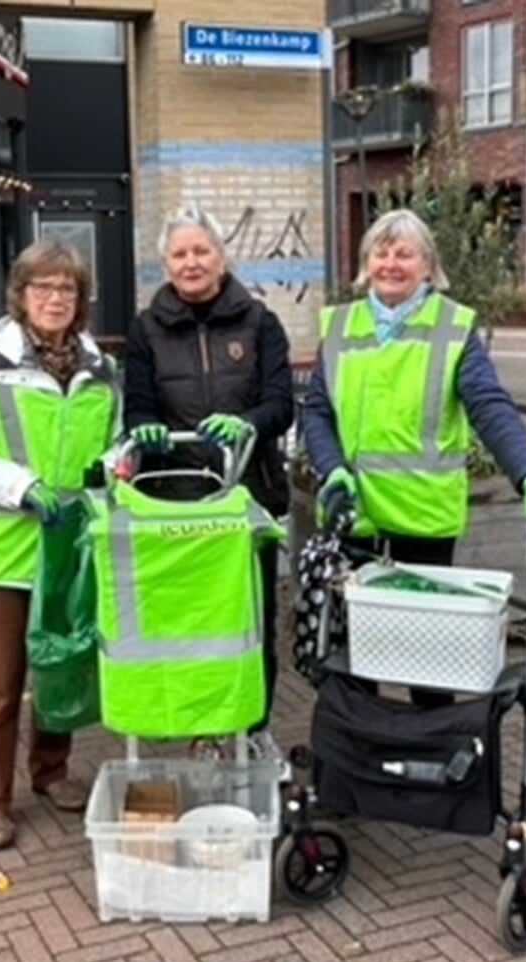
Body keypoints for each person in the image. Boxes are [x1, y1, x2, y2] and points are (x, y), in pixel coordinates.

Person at [300, 208, 526, 702]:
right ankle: (364, 763)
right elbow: (317, 411)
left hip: (421, 519)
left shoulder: (453, 329)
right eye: (380, 252)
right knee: (353, 665)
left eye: (404, 253)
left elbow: (490, 408)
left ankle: (431, 764)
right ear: (366, 262)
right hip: (352, 517)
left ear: (428, 266)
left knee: (428, 669)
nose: (391, 263)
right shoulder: (341, 327)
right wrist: (332, 472)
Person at [0, 238, 120, 850]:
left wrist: (121, 462)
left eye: (67, 289)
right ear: (21, 294)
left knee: (61, 665)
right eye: (43, 287)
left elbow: (112, 446)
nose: (55, 299)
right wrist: (21, 486)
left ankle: (51, 773)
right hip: (2, 549)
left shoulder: (100, 370)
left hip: (69, 546)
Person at [122, 207, 295, 754]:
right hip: (178, 504)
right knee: (193, 621)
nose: (191, 262)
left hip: (247, 497)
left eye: (201, 251)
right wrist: (144, 428)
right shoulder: (146, 329)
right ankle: (202, 722)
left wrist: (247, 423)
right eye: (179, 254)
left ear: (222, 257)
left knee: (251, 618)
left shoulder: (260, 323)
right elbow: (139, 406)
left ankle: (254, 724)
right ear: (165, 264)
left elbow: (281, 404)